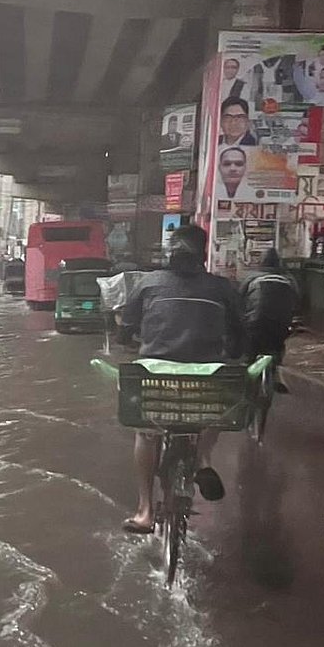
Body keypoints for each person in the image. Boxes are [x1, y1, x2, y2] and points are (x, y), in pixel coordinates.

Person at [119, 223, 246, 534]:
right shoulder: (221, 288)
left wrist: (129, 336)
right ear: (203, 254)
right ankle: (202, 458)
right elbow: (240, 334)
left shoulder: (149, 282)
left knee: (146, 432)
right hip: (207, 380)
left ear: (169, 252)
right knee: (217, 407)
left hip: (156, 379)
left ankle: (146, 511)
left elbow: (126, 327)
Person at [241, 247, 299, 377]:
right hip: (281, 323)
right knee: (277, 346)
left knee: (250, 352)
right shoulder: (289, 279)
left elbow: (239, 299)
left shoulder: (251, 277)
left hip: (255, 322)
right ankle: (276, 374)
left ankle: (249, 377)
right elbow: (296, 300)